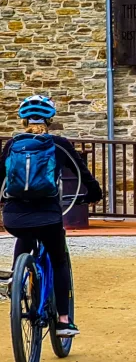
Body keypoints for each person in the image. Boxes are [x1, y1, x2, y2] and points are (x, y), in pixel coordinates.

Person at [0, 95, 103, 338]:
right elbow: (83, 174)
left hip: (15, 216)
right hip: (48, 214)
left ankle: (17, 281)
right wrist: (94, 194)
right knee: (59, 261)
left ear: (24, 120)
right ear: (50, 120)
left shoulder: (12, 145)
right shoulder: (58, 144)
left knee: (24, 237)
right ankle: (64, 322)